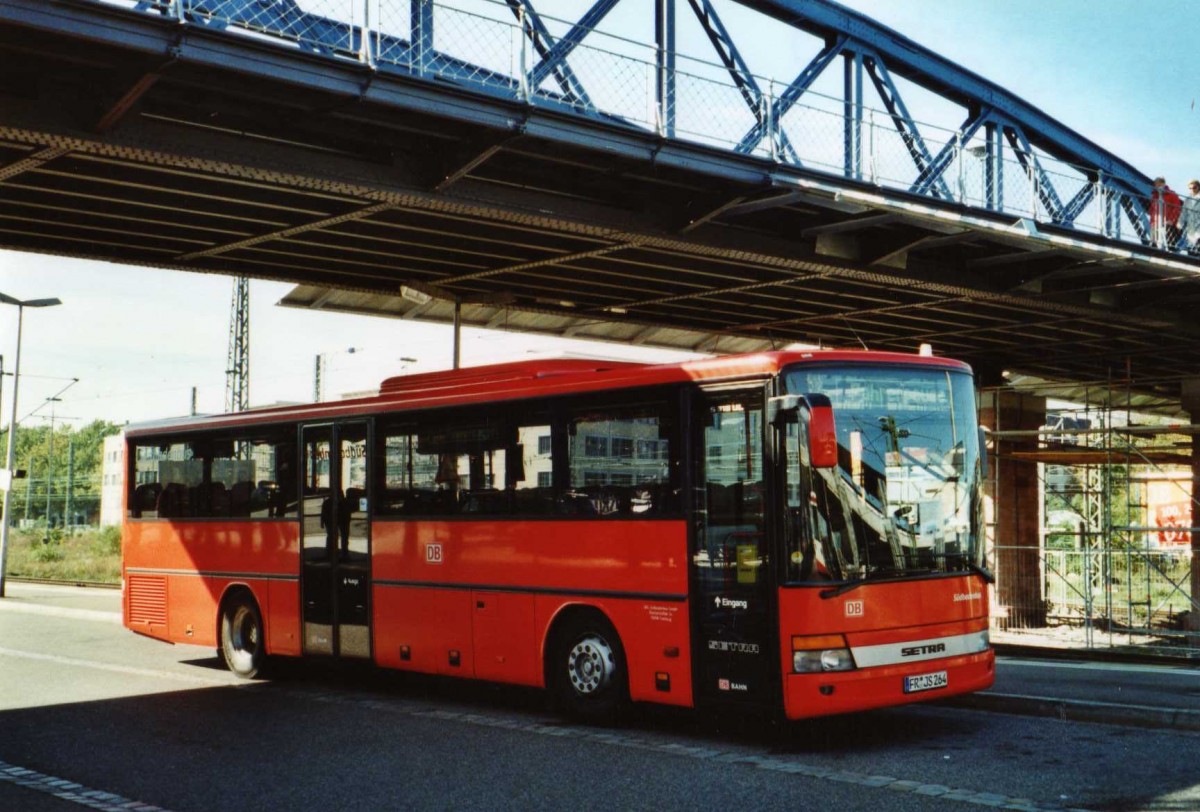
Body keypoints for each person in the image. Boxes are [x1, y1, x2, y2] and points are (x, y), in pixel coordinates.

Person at [1150, 176, 1182, 249]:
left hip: (1168, 222)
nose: (1156, 186)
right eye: (1155, 184)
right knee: (1153, 244)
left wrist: (1171, 220)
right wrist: (1152, 222)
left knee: (1169, 243)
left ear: (1163, 183)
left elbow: (1177, 208)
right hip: (1156, 222)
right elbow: (1152, 210)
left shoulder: (1171, 194)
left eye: (1158, 184)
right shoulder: (1154, 196)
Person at [1177, 179, 1200, 255]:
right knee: (1190, 248)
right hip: (1190, 226)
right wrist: (1180, 222)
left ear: (1198, 187)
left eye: (1194, 188)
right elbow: (1184, 212)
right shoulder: (1188, 199)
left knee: (1197, 246)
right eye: (1190, 188)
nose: (1192, 190)